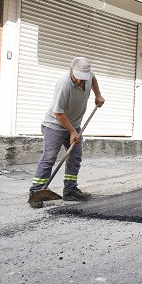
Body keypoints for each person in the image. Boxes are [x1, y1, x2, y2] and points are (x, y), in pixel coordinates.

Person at [28, 57, 105, 208]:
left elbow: (93, 79)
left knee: (75, 158)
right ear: (71, 71)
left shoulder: (88, 75)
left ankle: (70, 191)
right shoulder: (64, 85)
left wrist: (98, 94)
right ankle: (35, 192)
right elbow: (58, 112)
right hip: (54, 125)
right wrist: (72, 132)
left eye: (83, 79)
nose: (79, 82)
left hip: (74, 124)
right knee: (49, 158)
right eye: (77, 78)